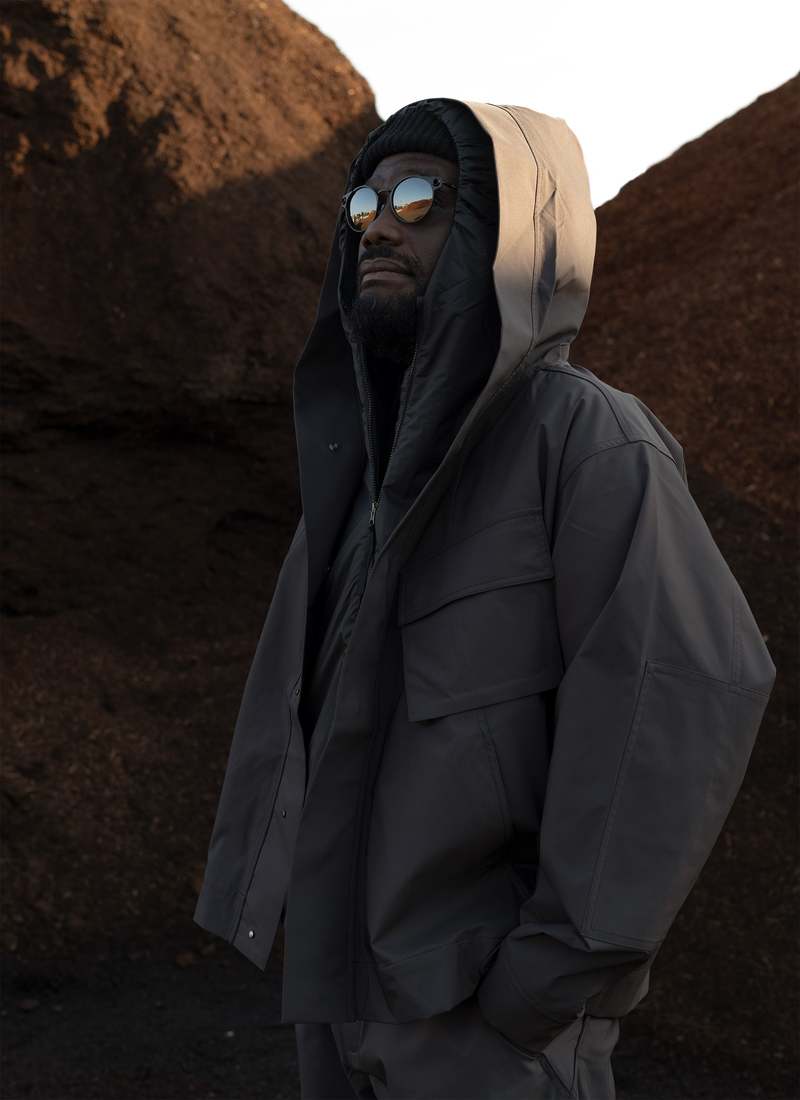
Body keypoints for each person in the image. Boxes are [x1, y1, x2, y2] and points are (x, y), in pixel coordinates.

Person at [193, 99, 776, 1099]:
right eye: (364, 203)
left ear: (506, 233)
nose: (378, 225)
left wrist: (543, 982)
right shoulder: (362, 476)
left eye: (420, 198)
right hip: (339, 1001)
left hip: (486, 1028)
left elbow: (675, 701)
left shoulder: (585, 441)